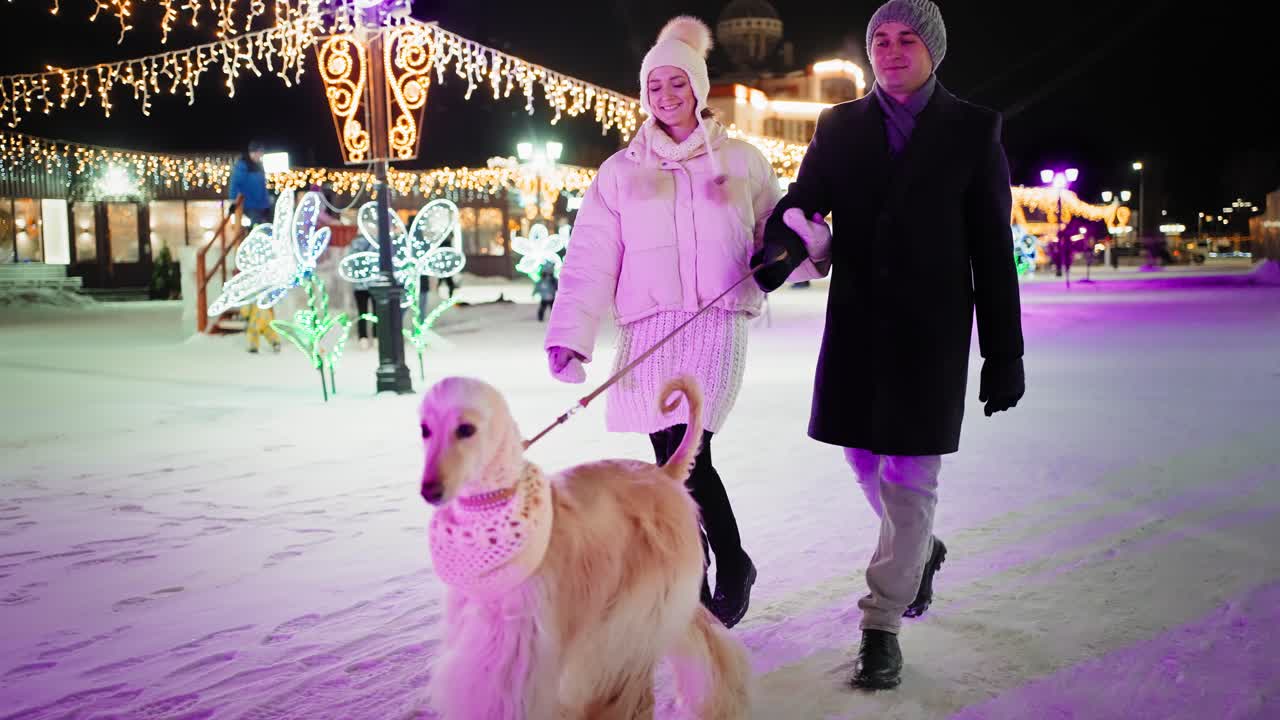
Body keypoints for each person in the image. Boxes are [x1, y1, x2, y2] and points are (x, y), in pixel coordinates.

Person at [752, 0, 1026, 690]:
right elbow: (806, 199)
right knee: (861, 461)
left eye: (907, 39)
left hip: (930, 334)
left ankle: (881, 623)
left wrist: (1004, 352)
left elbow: (993, 249)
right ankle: (919, 551)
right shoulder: (840, 125)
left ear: (933, 49)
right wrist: (782, 249)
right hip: (858, 325)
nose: (892, 50)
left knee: (911, 479)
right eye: (881, 39)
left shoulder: (973, 129)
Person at [544, 15, 823, 629]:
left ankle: (730, 560)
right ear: (644, 95)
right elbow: (591, 258)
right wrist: (571, 336)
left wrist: (801, 250)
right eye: (655, 87)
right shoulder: (620, 172)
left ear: (698, 86)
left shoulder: (742, 161)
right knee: (665, 456)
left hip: (716, 320)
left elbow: (777, 232)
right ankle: (694, 577)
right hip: (648, 327)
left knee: (689, 454)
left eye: (678, 83)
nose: (667, 97)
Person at [228, 140, 273, 224]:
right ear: (252, 152)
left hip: (261, 205)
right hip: (249, 204)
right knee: (256, 224)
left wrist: (266, 204)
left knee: (265, 224)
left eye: (261, 153)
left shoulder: (259, 166)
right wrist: (233, 200)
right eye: (258, 153)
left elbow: (263, 187)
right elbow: (235, 183)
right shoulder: (242, 165)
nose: (259, 156)